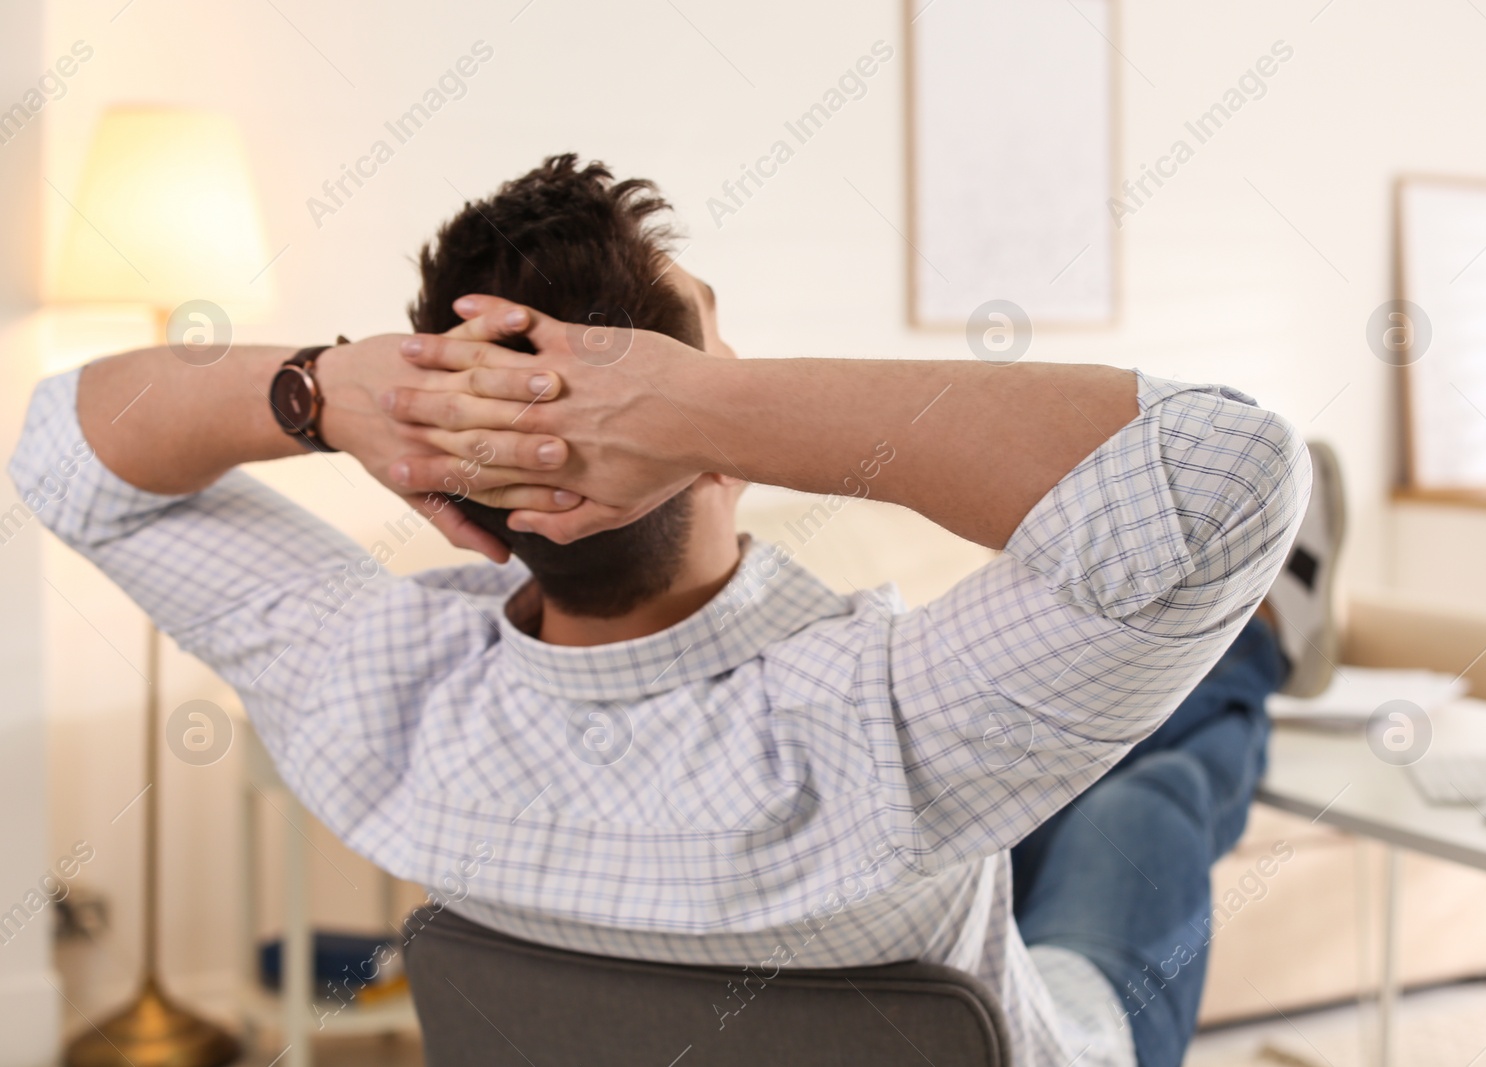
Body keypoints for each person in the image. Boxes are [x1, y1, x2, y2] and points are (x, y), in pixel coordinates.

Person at [10, 155, 1318, 1067]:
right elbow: (1231, 474)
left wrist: (319, 388)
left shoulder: (381, 690)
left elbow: (59, 453)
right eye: (704, 355)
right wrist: (689, 409)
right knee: (1155, 786)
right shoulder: (874, 722)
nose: (726, 374)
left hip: (917, 848)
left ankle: (1237, 659)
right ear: (667, 426)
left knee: (1074, 767)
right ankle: (1258, 653)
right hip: (1056, 1041)